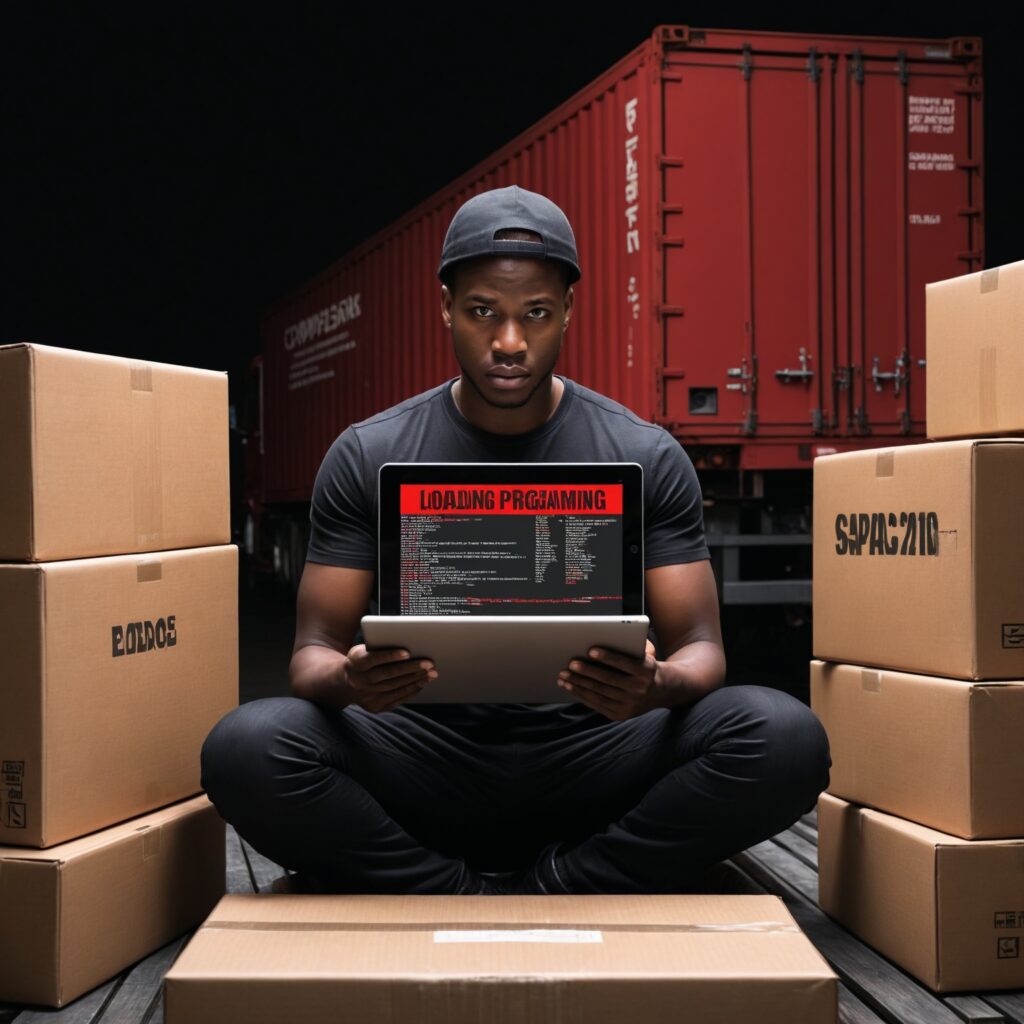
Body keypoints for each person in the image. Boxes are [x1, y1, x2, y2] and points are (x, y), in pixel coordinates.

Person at [201, 185, 830, 895]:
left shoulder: (643, 454)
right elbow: (310, 655)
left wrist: (657, 687)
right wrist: (351, 679)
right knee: (245, 747)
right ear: (445, 308)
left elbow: (704, 652)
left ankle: (569, 880)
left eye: (535, 314)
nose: (509, 342)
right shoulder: (368, 453)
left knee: (785, 737)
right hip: (424, 759)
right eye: (482, 313)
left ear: (567, 311)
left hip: (600, 756)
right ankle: (447, 890)